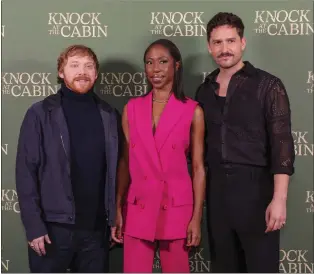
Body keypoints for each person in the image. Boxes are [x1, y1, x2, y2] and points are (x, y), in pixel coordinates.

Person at [195, 12, 295, 273]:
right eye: (217, 42)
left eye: (230, 41)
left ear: (243, 43)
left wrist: (279, 199)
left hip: (256, 193)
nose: (224, 49)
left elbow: (282, 144)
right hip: (217, 197)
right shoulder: (204, 90)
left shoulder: (268, 85)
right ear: (209, 46)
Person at [15, 44, 119, 273]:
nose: (82, 71)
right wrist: (34, 227)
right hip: (52, 231)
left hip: (96, 232)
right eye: (74, 65)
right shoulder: (40, 113)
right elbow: (26, 173)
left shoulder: (109, 114)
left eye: (88, 66)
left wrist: (113, 219)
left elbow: (115, 172)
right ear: (61, 72)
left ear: (96, 73)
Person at [111, 38, 206, 273]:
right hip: (138, 206)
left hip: (176, 208)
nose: (155, 69)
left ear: (176, 65)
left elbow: (198, 168)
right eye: (149, 62)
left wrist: (196, 217)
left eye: (163, 61)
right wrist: (118, 208)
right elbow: (126, 162)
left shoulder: (192, 110)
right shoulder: (131, 109)